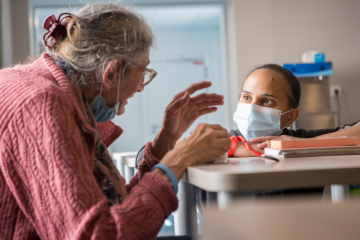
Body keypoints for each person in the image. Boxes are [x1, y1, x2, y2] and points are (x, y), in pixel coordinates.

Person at [0, 3, 231, 240]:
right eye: (143, 72)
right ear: (111, 73)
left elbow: (117, 209)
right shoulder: (44, 106)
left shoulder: (57, 91)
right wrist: (177, 162)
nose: (141, 86)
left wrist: (167, 141)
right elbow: (99, 235)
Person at [228, 63, 356, 157]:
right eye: (246, 97)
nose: (252, 108)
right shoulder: (222, 141)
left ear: (291, 117)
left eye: (267, 101)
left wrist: (304, 145)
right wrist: (231, 148)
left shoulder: (299, 139)